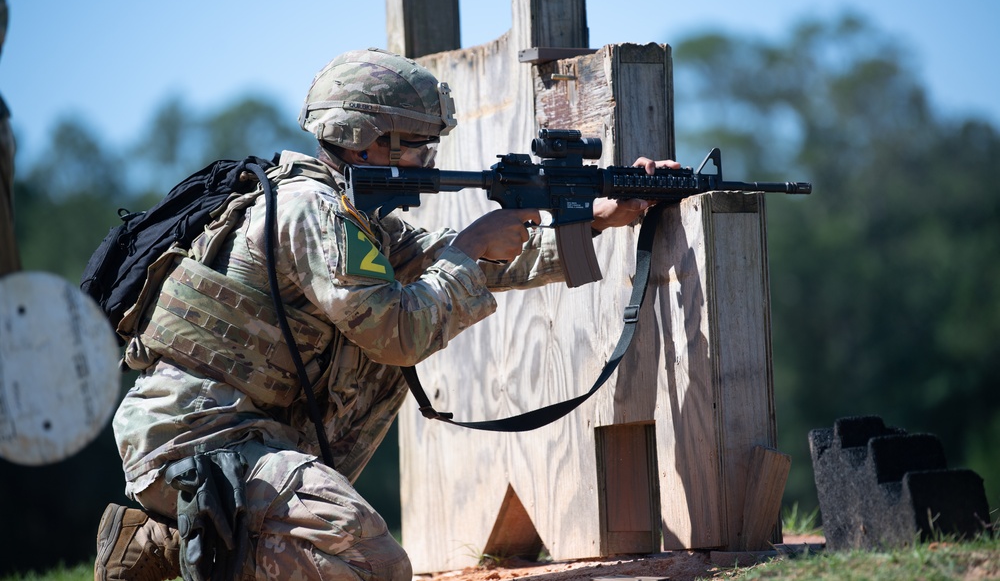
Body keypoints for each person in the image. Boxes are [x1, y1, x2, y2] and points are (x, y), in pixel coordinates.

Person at [95, 48, 678, 581]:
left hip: (250, 433)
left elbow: (455, 263)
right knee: (374, 569)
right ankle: (201, 537)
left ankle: (172, 537)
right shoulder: (312, 212)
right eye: (417, 144)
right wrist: (469, 250)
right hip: (200, 441)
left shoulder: (352, 213)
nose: (428, 160)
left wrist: (597, 217)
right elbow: (400, 332)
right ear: (365, 140)